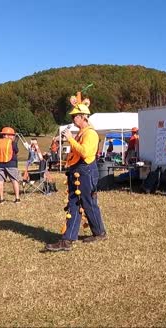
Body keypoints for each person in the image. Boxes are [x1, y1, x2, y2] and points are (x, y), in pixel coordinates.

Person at [45, 101, 107, 252]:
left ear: (83, 117)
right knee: (76, 203)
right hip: (79, 171)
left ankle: (97, 233)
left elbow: (85, 152)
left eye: (75, 117)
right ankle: (69, 239)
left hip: (86, 171)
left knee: (87, 203)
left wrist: (71, 139)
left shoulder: (90, 134)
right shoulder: (81, 133)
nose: (73, 119)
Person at [0, 127, 21, 204]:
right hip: (11, 164)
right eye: (12, 135)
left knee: (0, 181)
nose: (13, 136)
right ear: (8, 135)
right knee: (14, 180)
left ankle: (1, 199)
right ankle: (17, 198)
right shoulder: (12, 143)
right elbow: (16, 151)